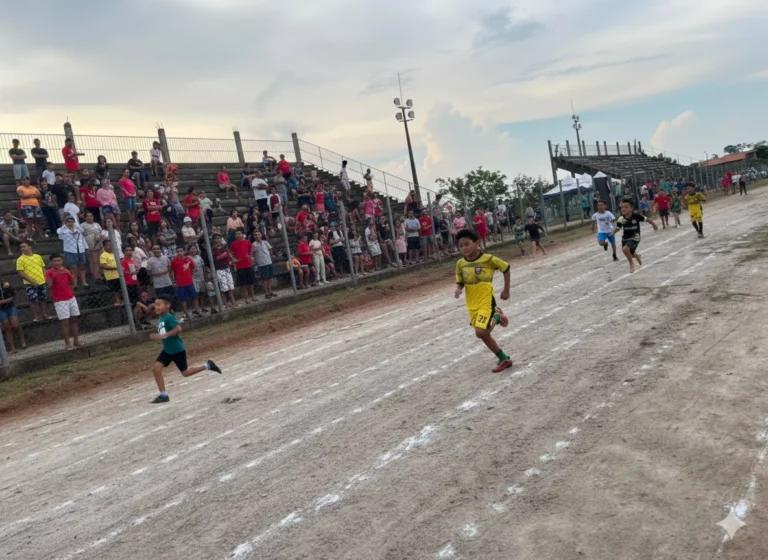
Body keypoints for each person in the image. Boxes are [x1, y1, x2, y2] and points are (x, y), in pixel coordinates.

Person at [454, 228, 512, 373]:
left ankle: (496, 316)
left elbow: (506, 268)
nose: (464, 248)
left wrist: (506, 290)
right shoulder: (460, 263)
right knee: (483, 333)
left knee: (480, 332)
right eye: (461, 246)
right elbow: (460, 280)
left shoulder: (488, 259)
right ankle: (504, 358)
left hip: (486, 301)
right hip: (472, 304)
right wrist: (458, 288)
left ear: (477, 243)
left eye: (467, 244)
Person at [148, 295, 221, 404]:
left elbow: (178, 328)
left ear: (167, 306)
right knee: (156, 369)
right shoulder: (161, 318)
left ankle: (208, 365)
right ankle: (164, 395)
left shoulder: (168, 317)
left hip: (177, 349)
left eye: (159, 304)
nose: (156, 307)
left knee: (185, 373)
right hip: (168, 350)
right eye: (155, 305)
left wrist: (165, 335)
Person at [610, 198, 659, 274]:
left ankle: (631, 264)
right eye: (622, 207)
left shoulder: (636, 216)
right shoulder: (621, 218)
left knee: (625, 249)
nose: (623, 209)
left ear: (631, 208)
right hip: (625, 238)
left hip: (635, 236)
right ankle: (637, 255)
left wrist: (654, 225)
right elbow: (618, 228)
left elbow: (647, 219)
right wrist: (613, 233)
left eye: (626, 207)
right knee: (630, 253)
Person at [45, 254, 81, 350]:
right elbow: (49, 285)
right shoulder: (49, 272)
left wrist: (71, 288)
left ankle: (76, 340)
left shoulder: (65, 271)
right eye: (54, 261)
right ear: (51, 262)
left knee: (74, 319)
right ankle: (67, 343)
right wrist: (51, 279)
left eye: (59, 260)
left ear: (61, 261)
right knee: (65, 322)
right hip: (60, 300)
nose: (57, 263)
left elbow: (72, 281)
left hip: (70, 297)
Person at [16, 241, 50, 322]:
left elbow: (43, 268)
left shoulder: (38, 256)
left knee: (43, 299)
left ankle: (44, 314)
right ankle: (36, 316)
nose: (22, 248)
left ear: (29, 247)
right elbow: (20, 273)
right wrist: (31, 281)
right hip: (30, 283)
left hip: (41, 281)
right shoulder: (20, 259)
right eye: (21, 247)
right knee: (32, 300)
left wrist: (46, 277)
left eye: (24, 246)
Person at [57, 216, 89, 289]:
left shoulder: (78, 230)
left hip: (80, 249)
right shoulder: (63, 231)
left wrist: (86, 247)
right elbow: (59, 231)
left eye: (72, 221)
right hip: (70, 250)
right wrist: (65, 225)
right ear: (65, 223)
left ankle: (84, 282)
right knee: (73, 267)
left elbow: (82, 239)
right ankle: (75, 283)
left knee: (82, 266)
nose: (70, 223)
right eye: (68, 222)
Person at [170, 246, 201, 319]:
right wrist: (174, 280)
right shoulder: (174, 261)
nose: (179, 253)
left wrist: (189, 276)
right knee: (183, 299)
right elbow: (172, 271)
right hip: (180, 283)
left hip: (189, 281)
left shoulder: (188, 259)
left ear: (184, 252)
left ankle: (197, 311)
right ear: (176, 253)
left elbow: (192, 268)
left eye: (181, 251)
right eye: (178, 251)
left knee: (194, 297)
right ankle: (186, 314)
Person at [212, 234, 237, 308]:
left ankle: (233, 302)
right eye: (216, 238)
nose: (218, 239)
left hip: (226, 268)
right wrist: (225, 254)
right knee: (224, 287)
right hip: (219, 269)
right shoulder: (213, 249)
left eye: (219, 238)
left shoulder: (224, 247)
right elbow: (217, 258)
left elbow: (229, 256)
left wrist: (232, 263)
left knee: (230, 286)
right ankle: (226, 303)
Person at [230, 230, 255, 303]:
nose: (238, 235)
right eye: (236, 234)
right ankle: (246, 298)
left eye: (239, 233)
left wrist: (250, 257)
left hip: (248, 264)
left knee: (251, 282)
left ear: (242, 234)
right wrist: (234, 259)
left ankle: (253, 296)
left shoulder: (247, 242)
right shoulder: (233, 244)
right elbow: (231, 253)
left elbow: (251, 250)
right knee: (243, 284)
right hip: (240, 266)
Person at [0, 280, 25, 353]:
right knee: (7, 327)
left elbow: (14, 295)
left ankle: (22, 340)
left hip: (10, 306)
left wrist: (11, 298)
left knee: (16, 324)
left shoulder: (5, 285)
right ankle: (12, 348)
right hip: (1, 309)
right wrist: (4, 301)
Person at [251, 231, 275, 298]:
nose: (257, 236)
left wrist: (270, 255)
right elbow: (252, 254)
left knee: (269, 278)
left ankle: (270, 291)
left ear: (261, 235)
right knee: (264, 279)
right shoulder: (253, 244)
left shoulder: (265, 242)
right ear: (254, 236)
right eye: (255, 235)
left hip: (268, 261)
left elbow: (270, 249)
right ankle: (266, 293)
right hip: (261, 263)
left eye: (258, 234)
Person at [99, 240, 122, 306]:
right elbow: (102, 265)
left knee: (119, 289)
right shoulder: (103, 255)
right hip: (111, 276)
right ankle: (117, 301)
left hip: (118, 275)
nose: (110, 246)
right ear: (104, 246)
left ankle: (120, 300)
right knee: (115, 290)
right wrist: (115, 268)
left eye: (111, 245)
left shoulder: (114, 254)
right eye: (108, 245)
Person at [121, 246, 141, 312]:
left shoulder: (132, 261)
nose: (129, 252)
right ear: (124, 252)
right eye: (127, 251)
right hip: (128, 283)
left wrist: (136, 271)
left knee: (137, 300)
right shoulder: (123, 261)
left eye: (130, 250)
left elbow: (135, 270)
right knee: (132, 301)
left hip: (134, 282)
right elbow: (123, 271)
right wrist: (131, 273)